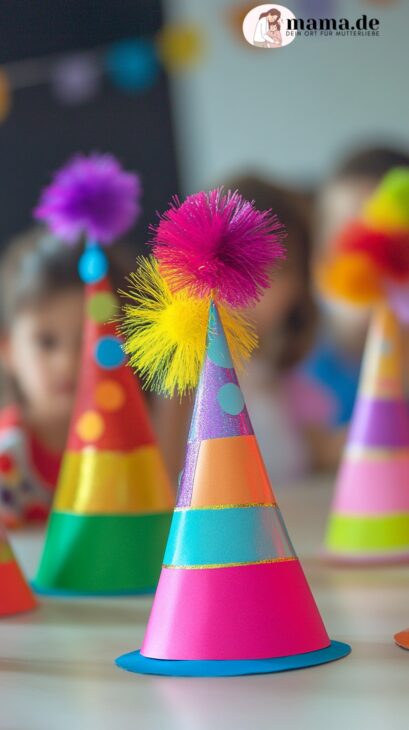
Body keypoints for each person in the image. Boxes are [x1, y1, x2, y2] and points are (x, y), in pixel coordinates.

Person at [156, 176, 338, 486]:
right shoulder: (187, 379)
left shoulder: (286, 384)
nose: (251, 288)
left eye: (276, 269)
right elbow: (163, 475)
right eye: (236, 266)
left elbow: (319, 453)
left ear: (299, 285)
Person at [0, 227, 132, 527]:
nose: (68, 363)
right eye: (46, 342)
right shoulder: (7, 457)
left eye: (88, 340)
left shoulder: (128, 442)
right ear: (8, 350)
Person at [305, 145, 409, 428]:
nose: (368, 257)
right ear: (318, 253)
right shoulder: (296, 346)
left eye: (387, 241)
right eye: (349, 236)